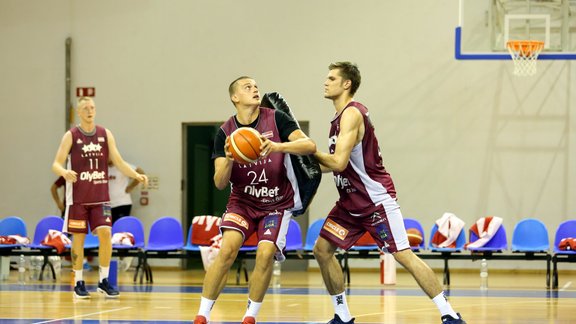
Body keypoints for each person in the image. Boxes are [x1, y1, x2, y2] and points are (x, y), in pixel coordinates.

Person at [312, 62, 466, 324]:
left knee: (403, 254)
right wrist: (307, 164)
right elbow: (338, 167)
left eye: (331, 78)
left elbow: (336, 162)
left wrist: (306, 150)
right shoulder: (337, 121)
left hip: (375, 202)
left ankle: (449, 313)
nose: (325, 82)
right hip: (349, 205)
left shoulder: (352, 114)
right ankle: (342, 314)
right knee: (322, 250)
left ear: (346, 84)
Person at [193, 76, 316, 324]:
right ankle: (202, 314)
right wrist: (228, 157)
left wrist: (277, 147)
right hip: (243, 202)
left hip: (277, 203)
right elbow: (219, 182)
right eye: (247, 87)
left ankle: (250, 315)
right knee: (226, 250)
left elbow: (310, 145)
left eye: (256, 86)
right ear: (234, 97)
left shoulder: (276, 118)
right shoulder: (225, 132)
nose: (255, 89)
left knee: (265, 252)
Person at [51, 96, 148, 299]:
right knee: (78, 238)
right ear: (79, 112)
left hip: (100, 198)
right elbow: (56, 164)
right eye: (85, 108)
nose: (89, 110)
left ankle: (104, 280)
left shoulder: (105, 134)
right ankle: (78, 282)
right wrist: (64, 172)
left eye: (92, 107)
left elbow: (119, 162)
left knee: (106, 233)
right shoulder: (71, 135)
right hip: (77, 198)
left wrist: (136, 175)